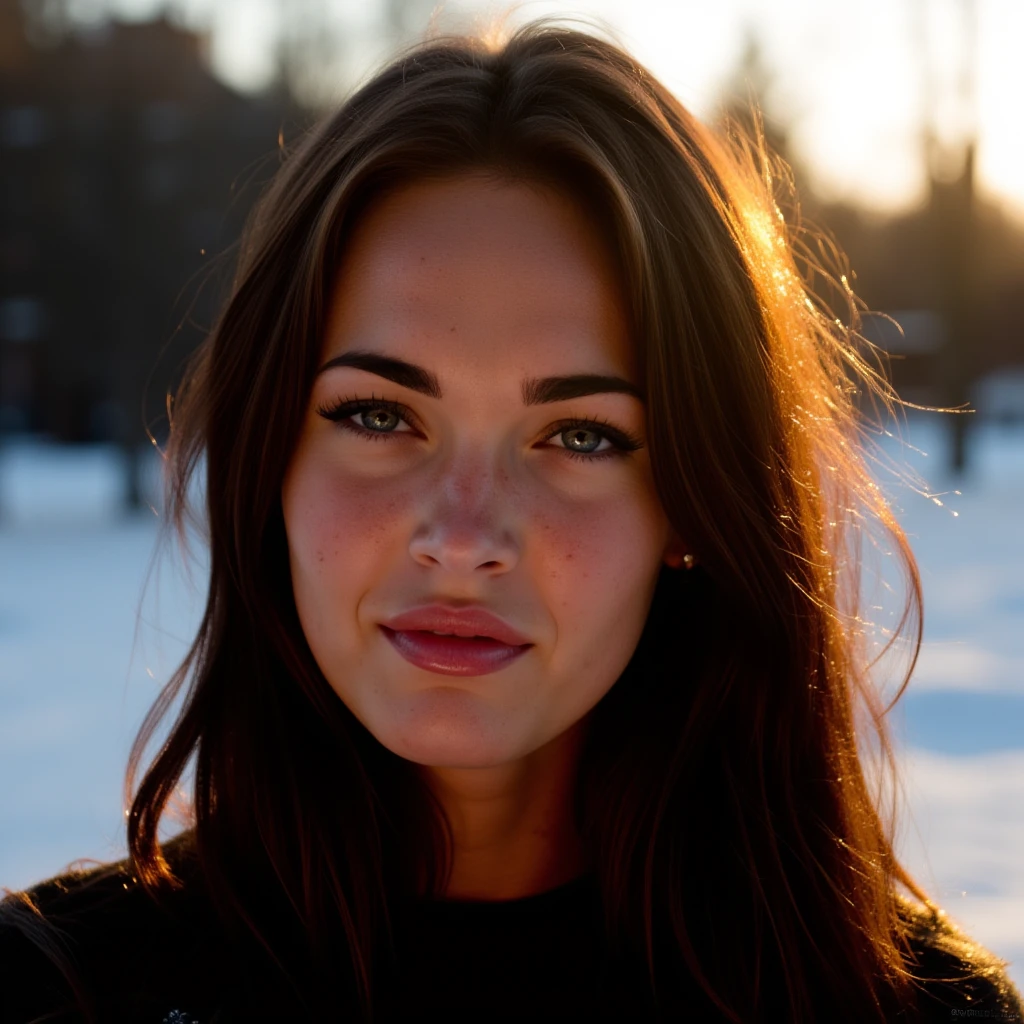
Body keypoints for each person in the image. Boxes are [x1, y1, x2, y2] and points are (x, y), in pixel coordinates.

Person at [2, 18, 1022, 1024]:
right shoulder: (55, 999)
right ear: (273, 456)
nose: (461, 535)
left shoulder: (908, 1012)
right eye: (378, 414)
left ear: (694, 501)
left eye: (579, 435)